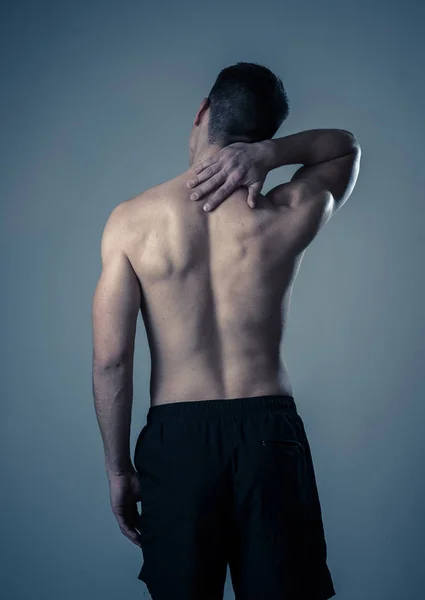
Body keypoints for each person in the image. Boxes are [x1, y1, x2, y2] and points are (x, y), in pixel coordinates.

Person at [92, 62, 361, 600]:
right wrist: (272, 155)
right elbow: (345, 148)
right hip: (268, 432)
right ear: (264, 134)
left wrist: (120, 470)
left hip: (178, 441)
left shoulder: (132, 220)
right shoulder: (285, 207)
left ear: (202, 113)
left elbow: (112, 361)